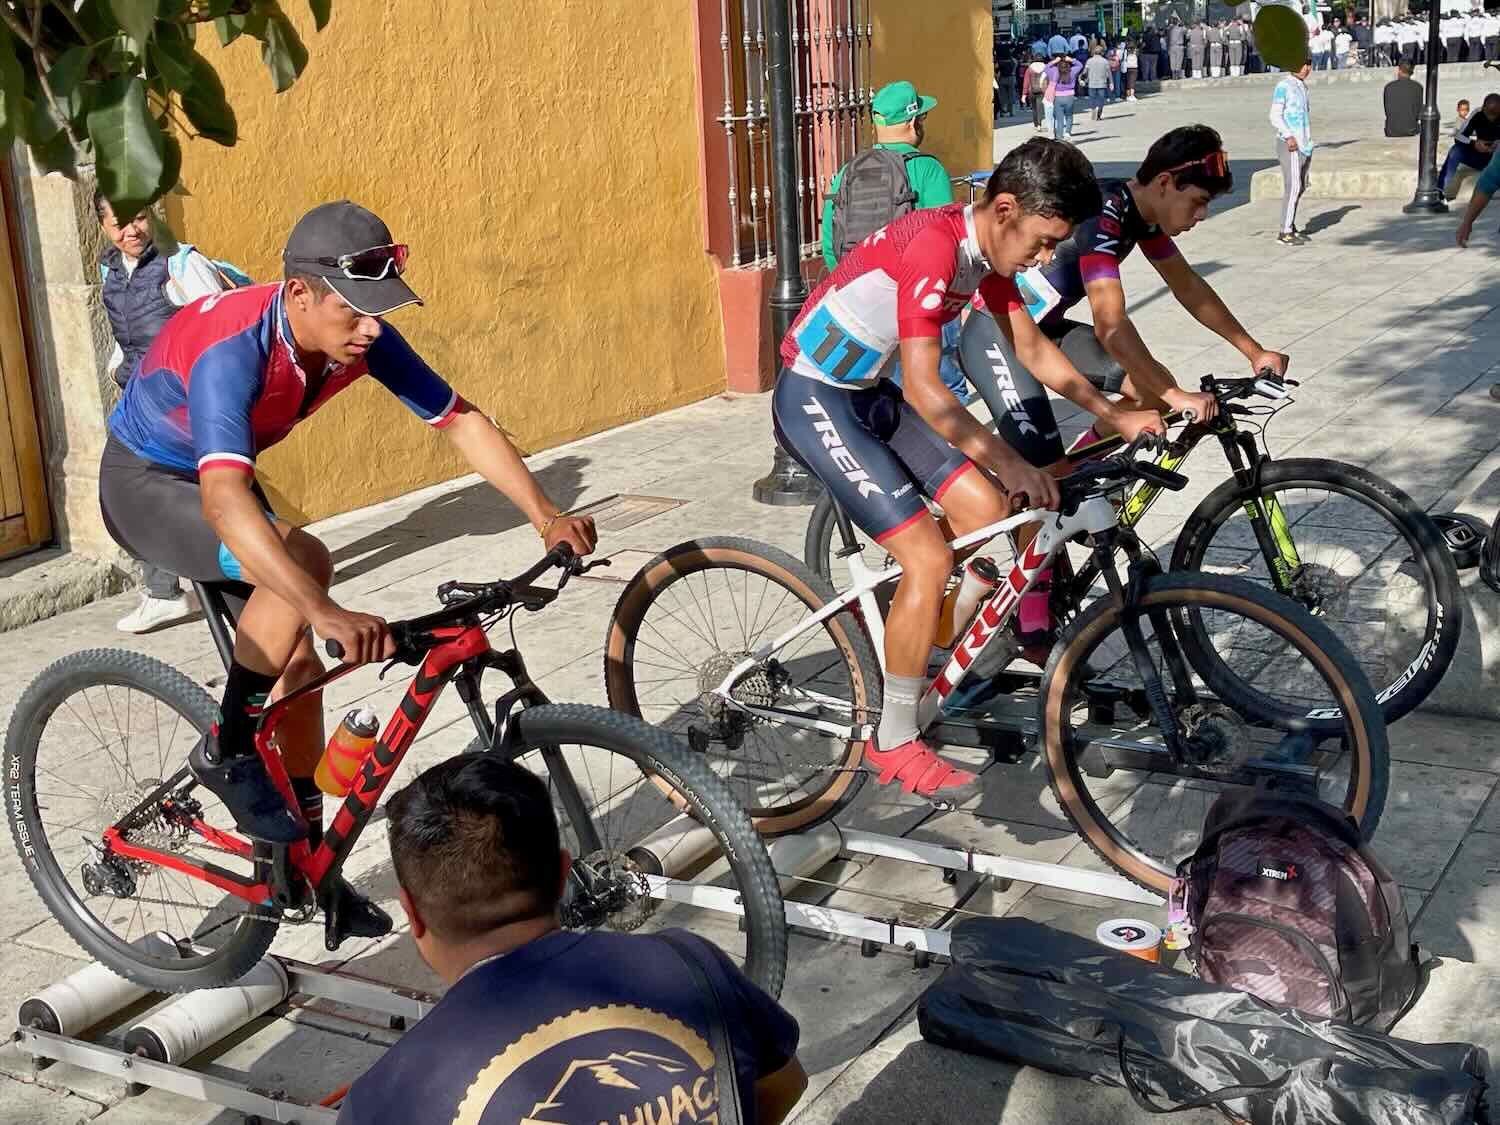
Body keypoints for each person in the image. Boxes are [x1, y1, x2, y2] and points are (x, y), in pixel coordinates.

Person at [101, 200, 598, 872]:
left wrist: (546, 515)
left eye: (379, 312)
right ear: (300, 293)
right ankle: (231, 748)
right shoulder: (234, 350)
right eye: (354, 312)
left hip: (216, 476)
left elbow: (461, 421)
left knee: (300, 671)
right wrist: (321, 607)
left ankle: (305, 863)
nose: (371, 330)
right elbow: (222, 501)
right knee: (306, 561)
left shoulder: (357, 336)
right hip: (148, 482)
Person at [771, 139, 1162, 798]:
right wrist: (1010, 461)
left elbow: (1032, 347)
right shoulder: (935, 246)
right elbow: (927, 389)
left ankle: (923, 634)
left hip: (867, 393)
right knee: (928, 557)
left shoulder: (984, 252)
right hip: (814, 396)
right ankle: (893, 738)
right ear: (1005, 209)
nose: (1045, 259)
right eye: (1042, 242)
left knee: (986, 514)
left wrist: (1114, 413)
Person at [958, 126, 1285, 667]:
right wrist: (1174, 390)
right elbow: (1110, 326)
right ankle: (1031, 618)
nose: (1202, 214)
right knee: (1051, 469)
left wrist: (1252, 350)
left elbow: (1189, 287)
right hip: (996, 333)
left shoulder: (1142, 215)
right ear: (1164, 182)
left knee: (1146, 397)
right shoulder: (1106, 213)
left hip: (1046, 329)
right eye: (1198, 201)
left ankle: (1074, 491)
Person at [334, 755, 806, 1125]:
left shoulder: (386, 1099)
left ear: (412, 914)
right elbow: (784, 1084)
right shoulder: (689, 965)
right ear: (564, 874)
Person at [95, 193, 230, 635]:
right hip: (140, 398)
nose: (129, 231)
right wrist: (117, 363)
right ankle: (164, 592)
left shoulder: (180, 264)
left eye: (136, 218)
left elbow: (221, 327)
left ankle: (259, 572)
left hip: (183, 402)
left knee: (219, 488)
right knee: (140, 491)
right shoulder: (110, 269)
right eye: (117, 224)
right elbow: (127, 326)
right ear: (103, 227)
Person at [822, 81, 967, 399]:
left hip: (865, 296)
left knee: (887, 388)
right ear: (914, 121)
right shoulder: (927, 169)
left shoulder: (846, 172)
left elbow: (829, 244)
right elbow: (945, 239)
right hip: (921, 296)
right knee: (943, 385)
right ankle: (950, 448)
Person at [1271, 59, 1315, 245]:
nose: (1305, 69)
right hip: (1291, 144)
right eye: (1301, 64)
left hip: (1304, 143)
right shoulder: (1284, 86)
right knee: (1293, 186)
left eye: (1308, 64)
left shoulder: (1302, 87)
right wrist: (1288, 136)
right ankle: (1285, 231)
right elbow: (1275, 115)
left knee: (1301, 186)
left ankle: (1291, 223)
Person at [1440, 92, 1500, 200]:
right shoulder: (1477, 113)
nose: (1491, 118)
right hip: (1481, 155)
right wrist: (1474, 143)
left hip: (1497, 158)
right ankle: (1440, 189)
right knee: (1456, 151)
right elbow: (1459, 136)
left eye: (1495, 114)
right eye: (1489, 114)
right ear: (1484, 108)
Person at [1383, 61, 1423, 136]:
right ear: (1412, 72)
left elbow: (1387, 111)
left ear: (1399, 70)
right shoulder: (1418, 87)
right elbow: (1418, 113)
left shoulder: (1388, 87)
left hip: (1391, 131)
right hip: (1411, 129)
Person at [1047, 54, 1078, 140]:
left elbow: (1046, 67)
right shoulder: (1072, 71)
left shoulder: (1054, 71)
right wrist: (1071, 59)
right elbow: (1080, 65)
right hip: (1070, 96)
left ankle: (1059, 137)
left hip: (1058, 96)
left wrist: (1055, 61)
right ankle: (1067, 132)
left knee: (1059, 119)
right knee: (1069, 115)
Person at [1085, 45, 1112, 121]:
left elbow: (1085, 71)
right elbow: (1109, 73)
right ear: (1102, 53)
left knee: (1092, 98)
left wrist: (1083, 79)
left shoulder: (1089, 61)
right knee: (1101, 99)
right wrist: (1111, 83)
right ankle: (1099, 114)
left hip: (1092, 83)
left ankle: (1093, 109)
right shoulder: (1105, 61)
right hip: (1102, 83)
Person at [1025, 51, 1049, 130]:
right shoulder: (1046, 67)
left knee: (1034, 108)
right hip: (1042, 90)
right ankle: (1039, 124)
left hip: (1031, 90)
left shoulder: (1030, 68)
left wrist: (1024, 93)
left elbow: (1026, 81)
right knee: (1040, 108)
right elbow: (1048, 79)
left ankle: (1036, 124)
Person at [996, 47, 1019, 119]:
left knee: (1003, 96)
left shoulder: (1000, 61)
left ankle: (1003, 112)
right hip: (1011, 78)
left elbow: (997, 69)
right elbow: (1015, 67)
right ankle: (1011, 111)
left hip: (1002, 79)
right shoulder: (1013, 60)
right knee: (1011, 95)